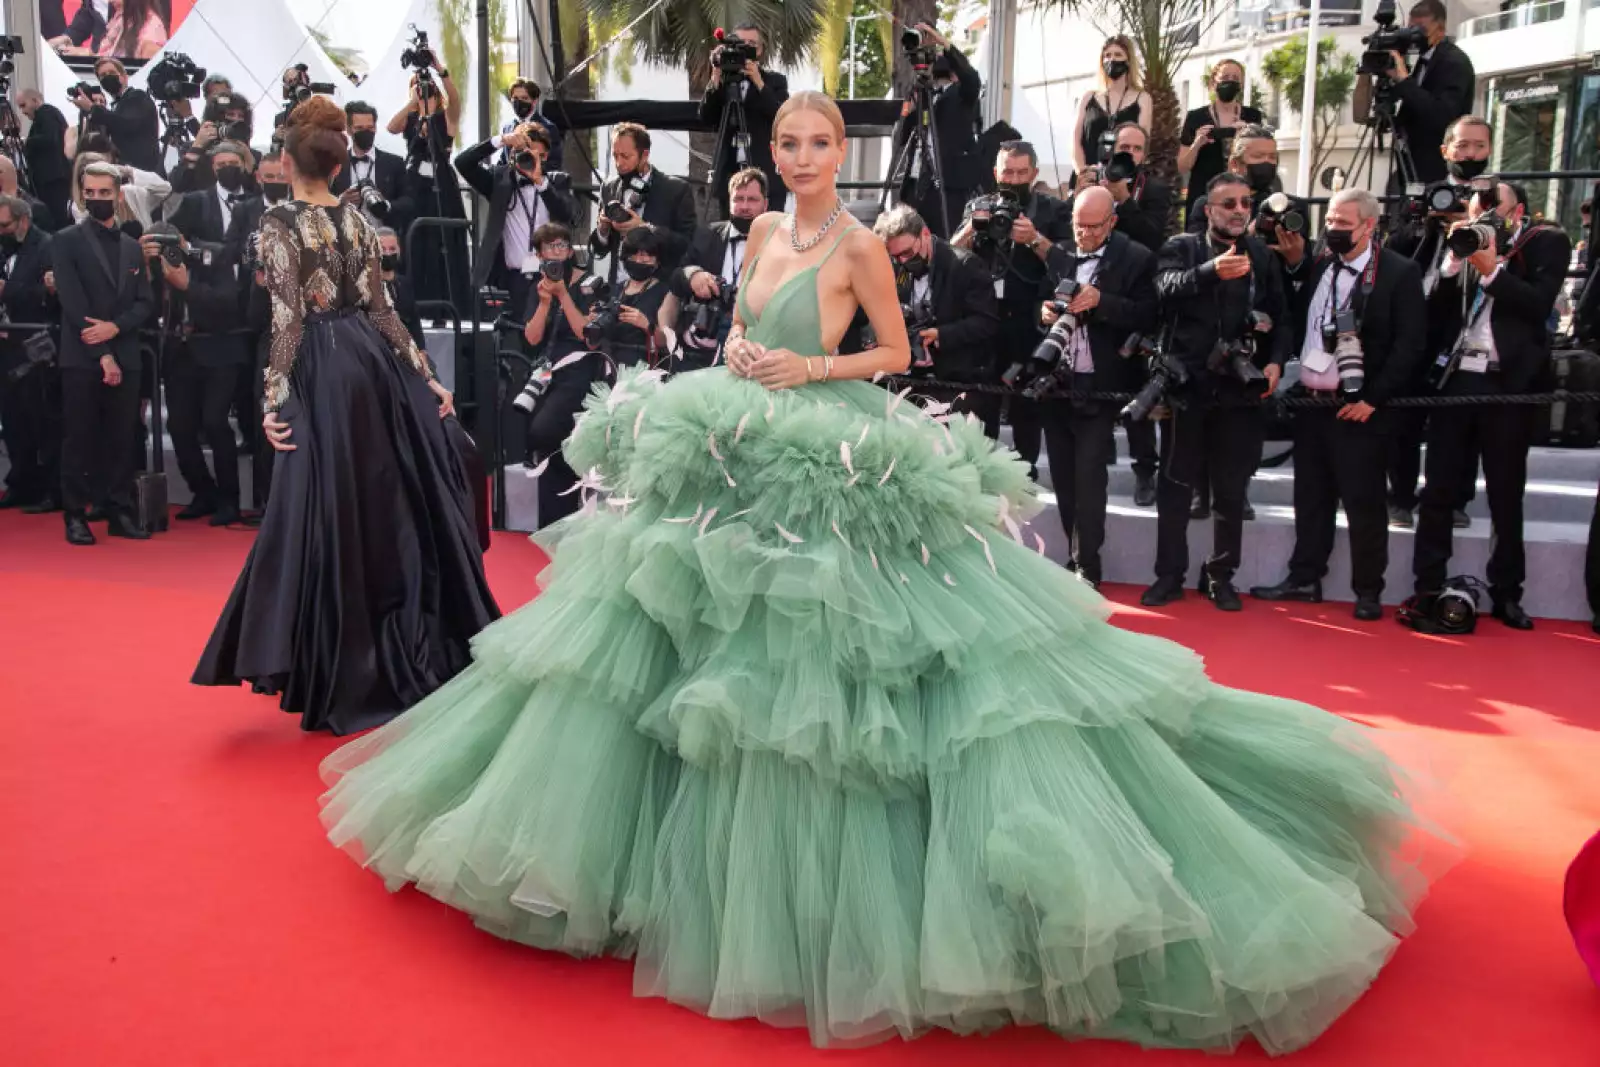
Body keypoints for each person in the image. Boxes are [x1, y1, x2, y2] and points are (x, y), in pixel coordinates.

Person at [316, 91, 1443, 1056]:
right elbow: (735, 335)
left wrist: (808, 362)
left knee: (841, 659)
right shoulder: (753, 240)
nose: (798, 159)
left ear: (836, 156)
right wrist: (742, 359)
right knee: (672, 636)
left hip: (838, 444)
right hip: (738, 438)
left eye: (814, 144)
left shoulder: (859, 244)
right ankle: (641, 862)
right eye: (783, 145)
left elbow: (896, 355)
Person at [192, 97, 499, 735]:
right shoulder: (357, 219)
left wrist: (273, 399)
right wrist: (424, 375)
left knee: (322, 508)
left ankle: (337, 663)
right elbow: (383, 310)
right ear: (333, 164)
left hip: (323, 370)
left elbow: (287, 319)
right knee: (381, 504)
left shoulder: (276, 223)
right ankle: (375, 650)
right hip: (370, 366)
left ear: (286, 161)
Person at [1250, 189, 1427, 621]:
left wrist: (1372, 400)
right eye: (1329, 221)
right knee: (1310, 499)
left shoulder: (1399, 273)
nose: (1333, 230)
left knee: (1365, 504)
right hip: (1312, 405)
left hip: (1361, 409)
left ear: (1370, 226)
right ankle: (1304, 577)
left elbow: (1410, 346)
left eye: (1343, 224)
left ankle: (1368, 589)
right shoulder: (1321, 264)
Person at [1411, 181, 1570, 631]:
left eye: (1492, 209)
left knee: (1505, 495)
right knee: (1438, 489)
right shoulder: (1464, 239)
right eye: (1477, 207)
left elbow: (1538, 304)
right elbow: (1435, 310)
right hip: (1457, 379)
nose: (1483, 216)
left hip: (1508, 384)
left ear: (1517, 211)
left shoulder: (1547, 242)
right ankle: (1428, 586)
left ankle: (1507, 594)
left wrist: (1492, 271)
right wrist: (1453, 259)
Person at [1145, 173, 1290, 611]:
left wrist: (1276, 361)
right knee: (1173, 489)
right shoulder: (1181, 247)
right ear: (1208, 209)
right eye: (1229, 203)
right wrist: (1210, 272)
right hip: (1186, 389)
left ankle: (1220, 576)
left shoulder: (1262, 254)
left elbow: (1283, 317)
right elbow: (1161, 290)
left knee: (1230, 492)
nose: (1239, 211)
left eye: (1246, 203)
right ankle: (1169, 576)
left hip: (1239, 391)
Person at [1036, 187, 1157, 587]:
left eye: (1092, 227)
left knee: (1090, 478)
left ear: (1112, 222)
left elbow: (1148, 315)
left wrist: (1100, 302)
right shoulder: (1061, 254)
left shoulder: (1136, 257)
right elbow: (1042, 303)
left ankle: (1088, 562)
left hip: (1101, 382)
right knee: (1064, 480)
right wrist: (1045, 312)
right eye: (1078, 225)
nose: (1084, 234)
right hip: (1057, 382)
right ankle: (1074, 557)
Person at [1384, 114, 1491, 531]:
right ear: (1445, 150)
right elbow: (1395, 251)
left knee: (1459, 419)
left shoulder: (1496, 196)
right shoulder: (1423, 195)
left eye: (1478, 146)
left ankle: (1452, 498)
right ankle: (1400, 496)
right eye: (1462, 145)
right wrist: (1428, 224)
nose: (1470, 153)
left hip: (1466, 320)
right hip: (1417, 316)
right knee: (1404, 414)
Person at [50, 161, 154, 546]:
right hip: (82, 356)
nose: (96, 199)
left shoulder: (131, 245)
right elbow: (74, 304)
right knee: (79, 437)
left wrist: (116, 329)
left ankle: (118, 509)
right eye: (89, 194)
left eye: (103, 193)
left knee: (122, 437)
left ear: (118, 195)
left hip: (125, 353)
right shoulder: (65, 241)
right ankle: (75, 514)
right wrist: (103, 352)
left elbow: (146, 302)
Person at [951, 140, 1072, 469]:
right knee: (981, 409)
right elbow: (949, 259)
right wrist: (970, 232)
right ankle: (984, 477)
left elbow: (1070, 265)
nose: (1014, 180)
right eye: (1007, 172)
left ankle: (1026, 476)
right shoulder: (978, 205)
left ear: (1034, 173)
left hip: (1027, 323)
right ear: (995, 173)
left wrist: (1034, 239)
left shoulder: (1052, 210)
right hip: (984, 325)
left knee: (1026, 411)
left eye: (1021, 173)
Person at [144, 217, 250, 528]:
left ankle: (230, 500)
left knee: (215, 422)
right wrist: (146, 269)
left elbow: (228, 303)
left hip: (219, 350)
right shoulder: (152, 265)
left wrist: (187, 285)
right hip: (180, 354)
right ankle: (203, 492)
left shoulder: (212, 256)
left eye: (170, 249)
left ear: (181, 241)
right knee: (179, 426)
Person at [873, 203, 1000, 394]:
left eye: (907, 253)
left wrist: (941, 334)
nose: (904, 261)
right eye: (896, 256)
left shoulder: (964, 265)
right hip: (912, 378)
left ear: (925, 234)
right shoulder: (897, 267)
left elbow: (987, 322)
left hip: (962, 380)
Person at [454, 122, 577, 318]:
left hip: (550, 276)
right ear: (513, 154)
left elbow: (566, 214)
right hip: (512, 278)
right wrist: (500, 140)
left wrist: (541, 183)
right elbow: (462, 163)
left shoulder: (557, 181)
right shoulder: (499, 180)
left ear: (546, 157)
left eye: (540, 156)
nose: (533, 160)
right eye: (526, 154)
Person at [520, 222, 599, 527]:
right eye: (550, 246)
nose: (558, 251)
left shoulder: (589, 283)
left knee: (545, 431)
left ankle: (573, 508)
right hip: (546, 371)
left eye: (563, 245)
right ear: (539, 254)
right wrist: (543, 302)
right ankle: (555, 522)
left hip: (580, 368)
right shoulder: (537, 286)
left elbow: (586, 334)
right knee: (548, 444)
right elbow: (532, 337)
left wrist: (564, 295)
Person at [388, 59, 469, 318]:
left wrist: (441, 73)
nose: (425, 95)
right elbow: (391, 126)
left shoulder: (446, 118)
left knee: (441, 241)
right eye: (419, 90)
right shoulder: (410, 118)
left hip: (440, 183)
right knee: (415, 239)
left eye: (428, 91)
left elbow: (455, 101)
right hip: (415, 183)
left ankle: (448, 305)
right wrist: (413, 103)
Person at [890, 22, 981, 238]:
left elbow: (971, 78)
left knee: (944, 243)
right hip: (915, 187)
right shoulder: (923, 94)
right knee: (910, 240)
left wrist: (943, 43)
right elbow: (900, 139)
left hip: (947, 186)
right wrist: (908, 112)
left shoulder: (960, 96)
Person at [671, 168, 768, 371]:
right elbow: (676, 275)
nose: (744, 206)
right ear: (729, 202)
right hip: (707, 330)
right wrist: (693, 275)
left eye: (752, 200)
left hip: (756, 337)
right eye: (738, 199)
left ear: (765, 204)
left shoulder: (778, 241)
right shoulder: (706, 233)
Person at [0, 197, 61, 512]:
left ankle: (53, 487)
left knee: (43, 420)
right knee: (13, 421)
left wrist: (7, 292)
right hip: (6, 346)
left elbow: (53, 295)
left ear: (23, 220)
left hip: (37, 346)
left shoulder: (47, 246)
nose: (1, 231)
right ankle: (21, 483)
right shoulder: (4, 248)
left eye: (5, 225)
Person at [700, 23, 790, 221]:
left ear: (760, 50)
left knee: (770, 235)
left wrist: (759, 82)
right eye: (740, 44)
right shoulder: (723, 81)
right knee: (731, 235)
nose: (744, 49)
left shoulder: (775, 81)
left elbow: (781, 118)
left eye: (751, 44)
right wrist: (715, 76)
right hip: (730, 175)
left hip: (766, 174)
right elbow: (707, 117)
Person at [590, 123, 699, 277]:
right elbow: (599, 249)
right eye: (615, 155)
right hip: (618, 286)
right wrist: (603, 230)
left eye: (626, 156)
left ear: (645, 155)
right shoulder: (608, 187)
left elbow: (687, 244)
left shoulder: (676, 189)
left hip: (660, 287)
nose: (619, 163)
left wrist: (646, 228)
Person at [1388, 0, 1476, 186]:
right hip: (1412, 166)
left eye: (1421, 30)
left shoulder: (1453, 62)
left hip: (1436, 170)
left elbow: (1443, 115)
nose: (1415, 37)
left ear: (1440, 29)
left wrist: (1405, 82)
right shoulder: (1424, 59)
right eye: (1411, 30)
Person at [1177, 59, 1262, 211]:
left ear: (1241, 85)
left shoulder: (1252, 116)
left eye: (1235, 79)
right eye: (1225, 78)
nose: (1230, 82)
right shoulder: (1196, 117)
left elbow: (1259, 162)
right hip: (1203, 195)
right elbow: (1182, 166)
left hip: (1240, 197)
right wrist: (1197, 144)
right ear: (1213, 83)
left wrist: (1247, 136)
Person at [1072, 36, 1151, 187]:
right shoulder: (1088, 98)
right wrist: (1082, 172)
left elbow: (1142, 142)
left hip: (1123, 181)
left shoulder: (1142, 98)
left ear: (1128, 60)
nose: (1112, 60)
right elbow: (1075, 141)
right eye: (1107, 55)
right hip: (1088, 179)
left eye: (1118, 55)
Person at [332, 101, 414, 238]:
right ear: (348, 129)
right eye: (359, 128)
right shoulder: (336, 163)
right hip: (345, 240)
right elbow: (321, 200)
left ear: (376, 127)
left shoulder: (394, 163)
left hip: (383, 240)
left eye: (370, 127)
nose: (366, 132)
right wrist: (341, 201)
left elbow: (409, 201)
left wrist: (386, 206)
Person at [75, 57, 161, 176]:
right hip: (125, 172)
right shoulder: (116, 105)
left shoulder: (137, 97)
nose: (108, 77)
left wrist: (92, 108)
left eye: (112, 73)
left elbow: (127, 124)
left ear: (124, 76)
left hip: (142, 173)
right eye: (103, 75)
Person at [1100, 122, 1172, 254]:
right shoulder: (1094, 178)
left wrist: (1125, 200)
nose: (1130, 154)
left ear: (1144, 156)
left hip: (1130, 263)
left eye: (1137, 149)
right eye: (1124, 147)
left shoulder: (1155, 189)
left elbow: (1152, 240)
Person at [17, 89, 72, 230]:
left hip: (53, 180)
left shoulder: (46, 112)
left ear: (35, 101)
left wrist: (25, 143)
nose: (22, 111)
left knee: (57, 219)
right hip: (52, 179)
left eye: (23, 105)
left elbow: (49, 139)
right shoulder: (47, 115)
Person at [500, 80, 562, 170]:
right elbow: (503, 161)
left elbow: (554, 164)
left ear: (534, 101)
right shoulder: (507, 127)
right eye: (515, 98)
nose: (519, 102)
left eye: (524, 98)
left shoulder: (548, 128)